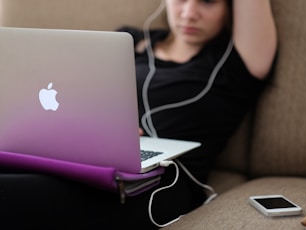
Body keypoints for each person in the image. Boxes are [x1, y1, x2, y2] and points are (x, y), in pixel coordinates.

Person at [0, 0, 277, 229]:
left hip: (162, 180)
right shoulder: (128, 42)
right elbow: (73, 97)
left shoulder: (236, 61)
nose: (190, 12)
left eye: (207, 1)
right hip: (90, 155)